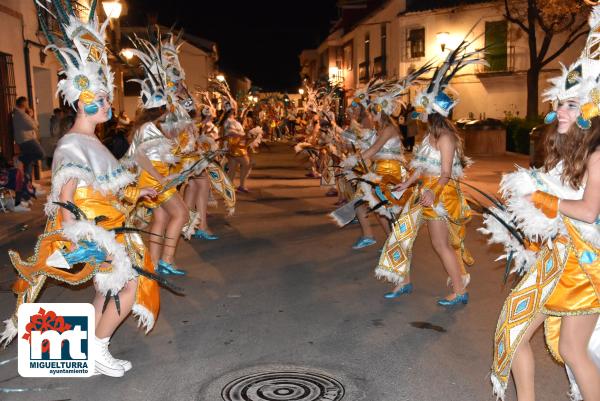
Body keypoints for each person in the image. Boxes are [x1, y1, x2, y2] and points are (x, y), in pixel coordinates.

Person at [0, 2, 161, 377]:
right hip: (91, 231)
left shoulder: (91, 141)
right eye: (100, 97)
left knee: (107, 289)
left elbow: (103, 188)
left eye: (106, 97)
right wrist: (73, 239)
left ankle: (89, 350)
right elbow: (66, 198)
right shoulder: (72, 144)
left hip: (106, 227)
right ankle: (100, 351)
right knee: (128, 288)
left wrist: (140, 193)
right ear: (80, 98)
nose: (106, 102)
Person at [483, 11, 600, 399]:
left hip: (584, 267)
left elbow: (587, 211)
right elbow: (551, 207)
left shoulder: (598, 155)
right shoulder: (565, 150)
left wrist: (542, 199)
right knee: (511, 332)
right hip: (553, 258)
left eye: (570, 105)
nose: (559, 111)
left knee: (571, 350)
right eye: (559, 104)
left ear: (589, 110)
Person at [376, 40, 480, 305]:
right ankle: (403, 281)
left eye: (421, 109)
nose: (417, 113)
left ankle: (459, 290)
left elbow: (445, 174)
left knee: (440, 244)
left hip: (440, 194)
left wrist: (432, 193)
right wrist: (405, 183)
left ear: (432, 111)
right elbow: (422, 167)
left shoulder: (445, 137)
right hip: (425, 190)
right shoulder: (428, 137)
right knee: (401, 233)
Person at [123, 34, 190, 277]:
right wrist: (160, 180)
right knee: (181, 213)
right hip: (154, 179)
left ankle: (151, 263)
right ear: (160, 109)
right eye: (167, 106)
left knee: (160, 219)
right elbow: (140, 158)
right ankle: (167, 260)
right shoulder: (149, 128)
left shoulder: (149, 126)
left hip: (155, 177)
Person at [12, 97, 44, 189]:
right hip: (27, 140)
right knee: (40, 154)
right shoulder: (21, 114)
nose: (28, 105)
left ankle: (28, 184)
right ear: (23, 103)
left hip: (25, 139)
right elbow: (33, 125)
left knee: (29, 163)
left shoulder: (20, 113)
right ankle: (20, 158)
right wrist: (30, 115)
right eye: (26, 103)